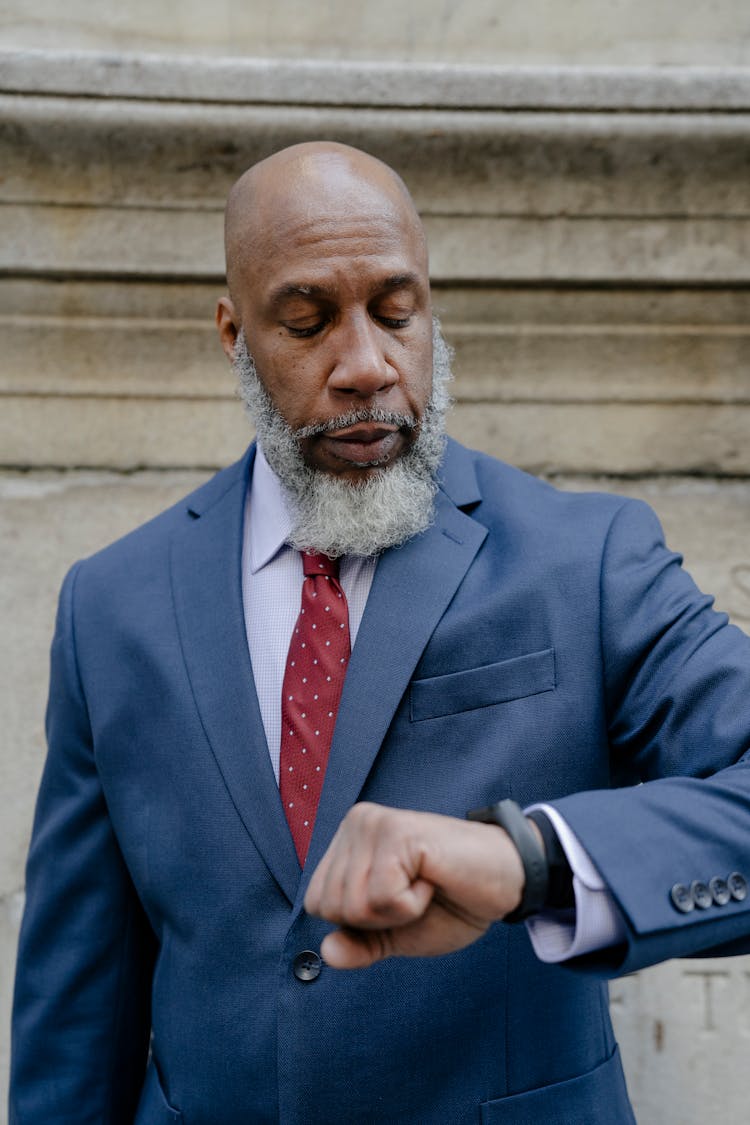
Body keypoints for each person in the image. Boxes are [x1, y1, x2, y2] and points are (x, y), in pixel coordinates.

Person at [10, 141, 750, 1125]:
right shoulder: (110, 606)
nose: (366, 365)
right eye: (307, 321)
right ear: (234, 335)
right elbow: (73, 1017)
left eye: (397, 313)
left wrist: (529, 860)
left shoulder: (591, 560)